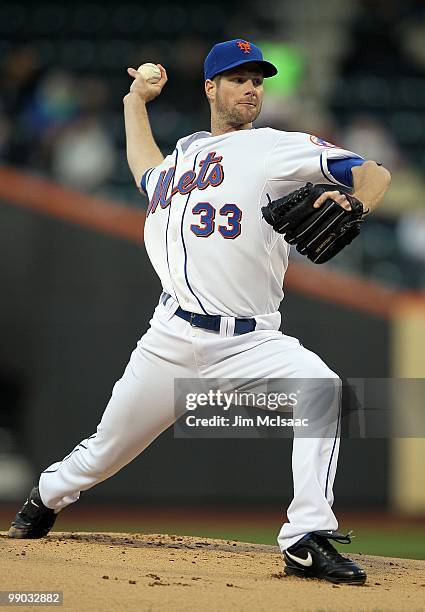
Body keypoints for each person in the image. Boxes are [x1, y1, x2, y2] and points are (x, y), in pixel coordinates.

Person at [9, 39, 391, 585]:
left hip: (251, 342)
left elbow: (373, 172)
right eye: (238, 79)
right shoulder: (186, 153)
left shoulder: (276, 147)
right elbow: (146, 170)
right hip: (168, 338)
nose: (251, 89)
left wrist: (355, 202)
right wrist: (133, 103)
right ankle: (46, 497)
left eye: (258, 80)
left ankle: (306, 537)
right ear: (211, 87)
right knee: (101, 454)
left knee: (323, 393)